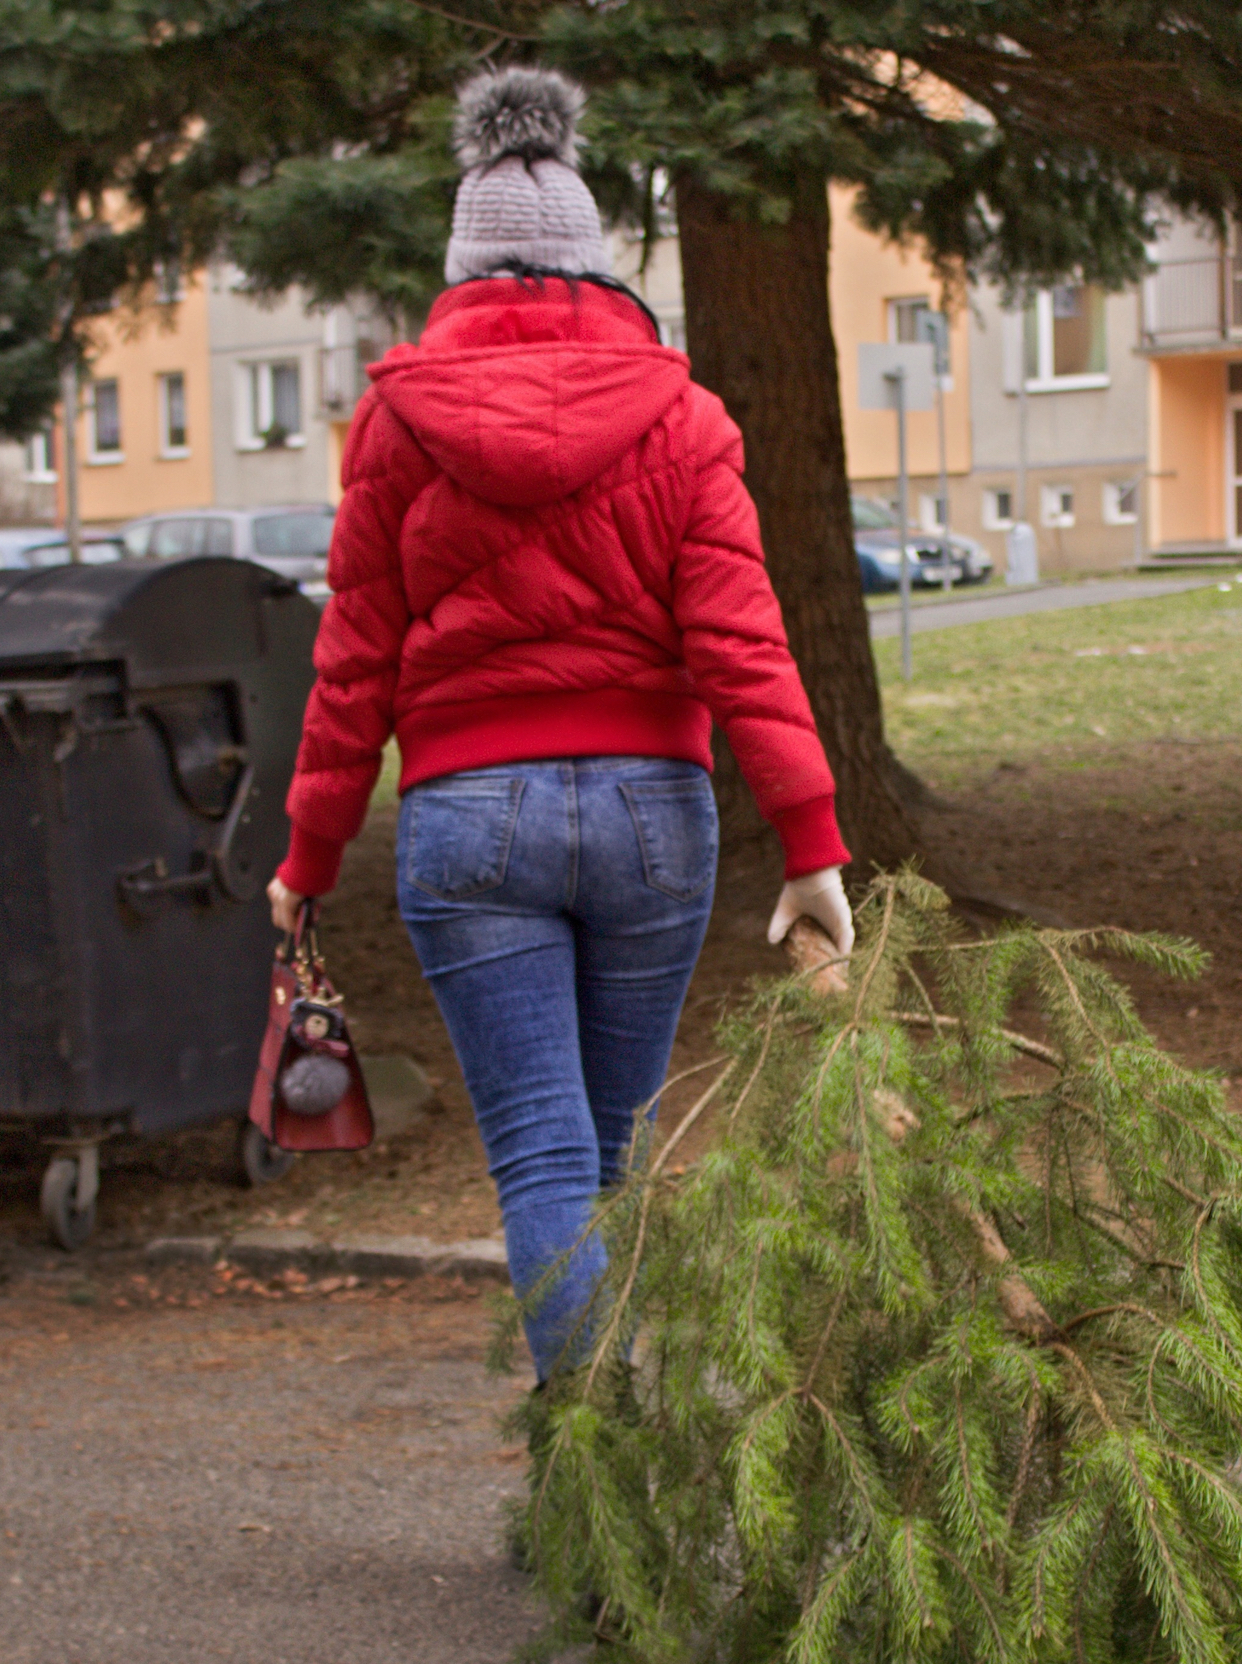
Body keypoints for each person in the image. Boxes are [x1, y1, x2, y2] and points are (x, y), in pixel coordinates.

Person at [266, 67, 854, 1381]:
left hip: (470, 819)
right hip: (654, 811)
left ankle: (595, 1471)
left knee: (540, 1151)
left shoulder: (394, 423)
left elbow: (352, 661)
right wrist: (810, 841)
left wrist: (306, 863)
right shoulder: (684, 418)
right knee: (614, 1148)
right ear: (603, 268)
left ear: (461, 271)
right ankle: (615, 1502)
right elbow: (742, 641)